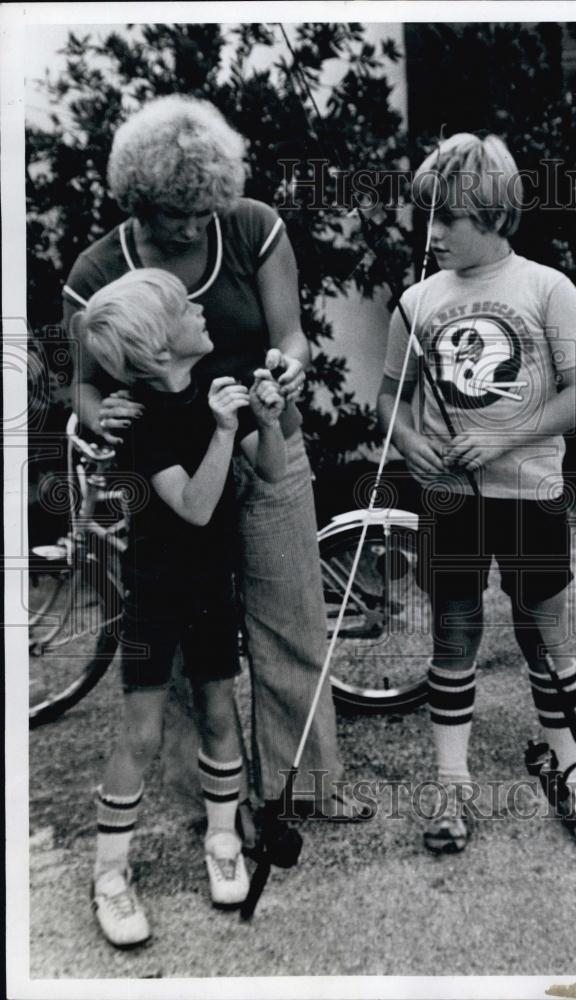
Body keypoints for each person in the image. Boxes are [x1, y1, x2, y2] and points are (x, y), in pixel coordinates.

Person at [65, 95, 367, 819]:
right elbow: (83, 385)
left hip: (265, 439)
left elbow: (291, 335)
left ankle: (305, 784)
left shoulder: (253, 227)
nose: (195, 226)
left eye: (206, 211)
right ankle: (203, 799)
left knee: (289, 615)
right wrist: (96, 413)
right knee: (176, 628)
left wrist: (288, 366)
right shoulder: (99, 269)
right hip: (169, 464)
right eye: (178, 214)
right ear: (139, 201)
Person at [377, 133, 576, 856]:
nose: (433, 233)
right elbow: (389, 403)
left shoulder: (547, 288)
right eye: (427, 218)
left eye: (447, 218)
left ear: (493, 213)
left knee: (541, 634)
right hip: (448, 498)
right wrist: (409, 445)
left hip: (529, 492)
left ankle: (570, 771)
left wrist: (506, 435)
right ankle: (451, 786)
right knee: (454, 631)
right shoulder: (415, 302)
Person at [77, 268, 286, 946]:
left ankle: (222, 842)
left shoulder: (217, 387)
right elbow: (195, 507)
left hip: (209, 588)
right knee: (141, 731)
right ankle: (110, 875)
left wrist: (268, 420)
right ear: (158, 347)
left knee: (219, 713)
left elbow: (274, 469)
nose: (200, 307)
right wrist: (224, 431)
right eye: (183, 307)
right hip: (155, 595)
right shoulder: (143, 422)